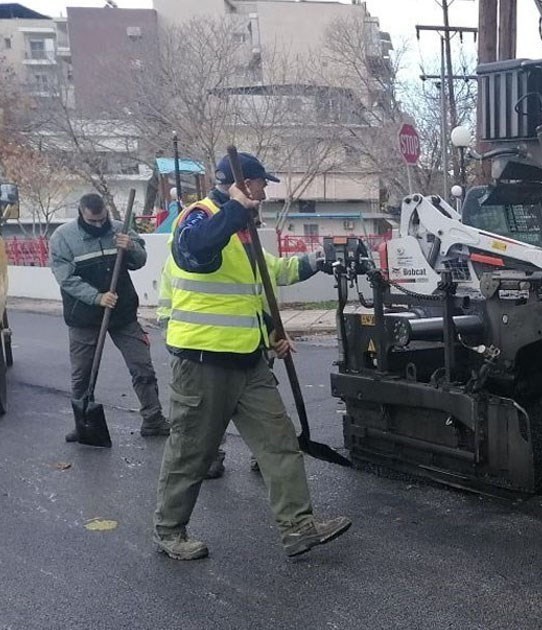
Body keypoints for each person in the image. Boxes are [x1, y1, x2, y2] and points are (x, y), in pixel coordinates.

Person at [153, 151, 349, 561]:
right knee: (192, 451)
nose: (264, 191)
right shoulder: (199, 215)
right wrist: (233, 213)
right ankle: (170, 531)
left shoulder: (244, 230)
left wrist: (318, 262)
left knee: (279, 443)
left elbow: (268, 275)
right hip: (202, 361)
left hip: (248, 362)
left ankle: (298, 527)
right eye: (260, 183)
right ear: (241, 184)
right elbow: (195, 251)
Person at [156, 223, 318, 480]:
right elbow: (172, 313)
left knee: (271, 429)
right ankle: (210, 456)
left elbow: (276, 274)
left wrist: (317, 259)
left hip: (249, 351)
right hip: (204, 356)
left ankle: (275, 478)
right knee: (203, 428)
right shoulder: (189, 256)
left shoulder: (246, 249)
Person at [50, 193, 170, 441]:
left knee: (142, 366)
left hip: (123, 314)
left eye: (102, 219)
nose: (98, 225)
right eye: (92, 221)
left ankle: (153, 419)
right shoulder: (63, 238)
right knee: (82, 375)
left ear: (106, 212)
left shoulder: (119, 229)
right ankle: (83, 424)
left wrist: (131, 248)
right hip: (83, 317)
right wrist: (97, 297)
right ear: (82, 213)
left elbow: (140, 261)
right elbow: (66, 278)